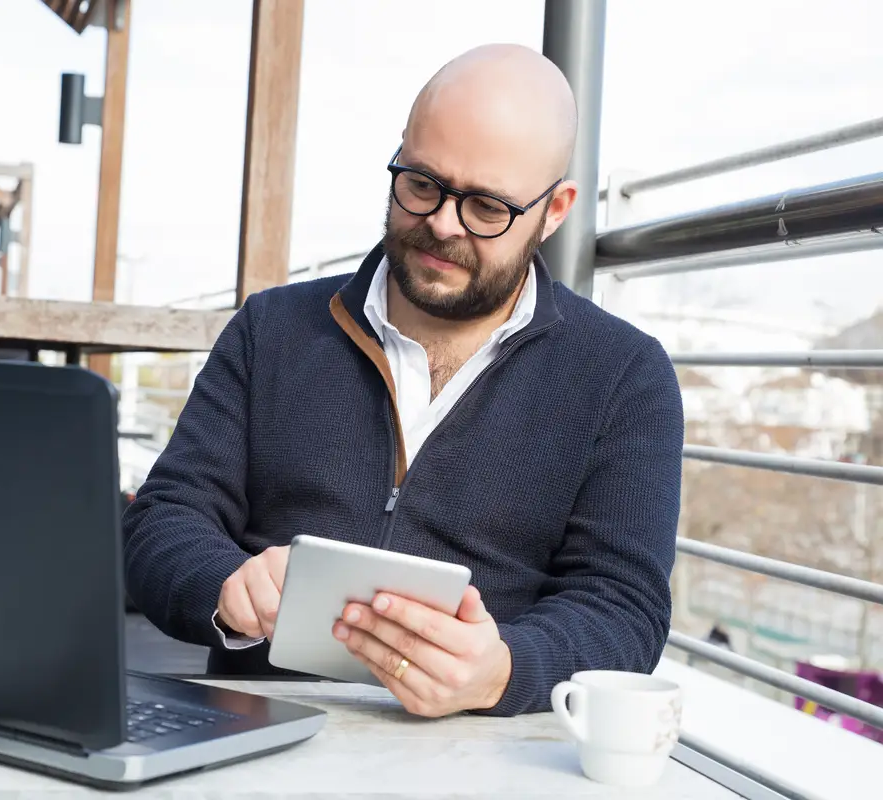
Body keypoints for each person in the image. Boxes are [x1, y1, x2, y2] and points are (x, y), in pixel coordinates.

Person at [124, 44, 684, 718]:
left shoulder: (624, 376)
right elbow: (163, 520)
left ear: (555, 209)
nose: (442, 225)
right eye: (421, 184)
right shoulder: (271, 330)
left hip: (484, 758)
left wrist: (505, 671)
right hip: (256, 730)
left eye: (485, 207)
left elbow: (625, 608)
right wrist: (222, 585)